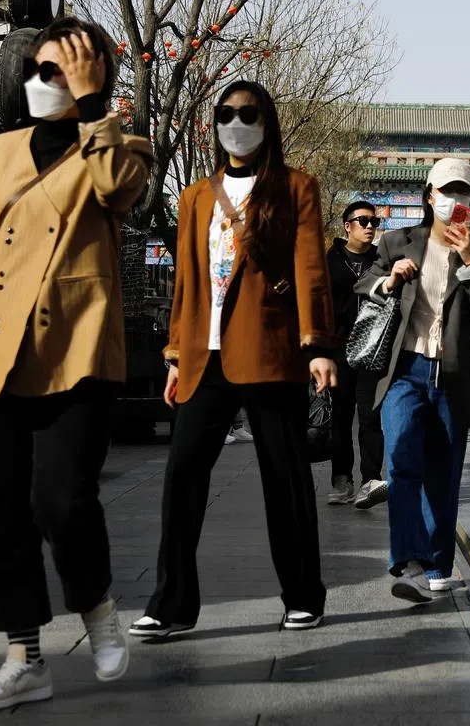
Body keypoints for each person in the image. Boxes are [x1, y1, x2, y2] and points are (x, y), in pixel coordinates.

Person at [0, 17, 151, 711]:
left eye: (66, 71)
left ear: (94, 78)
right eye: (42, 70)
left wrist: (95, 106)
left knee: (62, 500)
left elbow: (117, 190)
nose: (50, 82)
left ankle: (97, 607)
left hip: (77, 350)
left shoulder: (122, 147)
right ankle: (24, 658)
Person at [130, 80, 337, 639]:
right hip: (205, 357)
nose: (236, 123)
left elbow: (310, 269)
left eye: (248, 113)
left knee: (286, 479)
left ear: (267, 122)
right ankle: (171, 604)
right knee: (182, 477)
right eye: (226, 114)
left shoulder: (296, 187)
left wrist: (318, 346)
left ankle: (303, 596)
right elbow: (186, 282)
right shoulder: (196, 196)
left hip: (270, 353)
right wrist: (176, 354)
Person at [356, 157, 470, 601]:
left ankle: (438, 564)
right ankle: (410, 562)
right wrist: (390, 280)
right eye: (446, 191)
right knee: (402, 461)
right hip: (405, 371)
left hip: (453, 375)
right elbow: (365, 284)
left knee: (443, 474)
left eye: (463, 193)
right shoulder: (398, 241)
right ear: (429, 197)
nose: (454, 200)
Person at [326, 200, 388, 507]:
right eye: (363, 221)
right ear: (347, 226)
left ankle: (370, 481)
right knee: (340, 418)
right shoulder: (330, 260)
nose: (369, 227)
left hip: (373, 350)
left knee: (370, 417)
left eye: (374, 222)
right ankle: (342, 481)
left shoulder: (382, 260)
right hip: (338, 350)